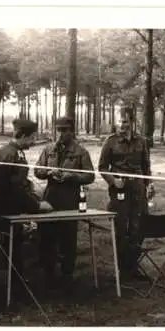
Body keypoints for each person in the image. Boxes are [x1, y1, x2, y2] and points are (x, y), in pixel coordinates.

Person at [0, 118, 53, 299]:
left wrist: (30, 186)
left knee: (12, 246)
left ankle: (14, 283)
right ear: (23, 136)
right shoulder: (15, 156)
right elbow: (16, 190)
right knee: (14, 246)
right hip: (9, 209)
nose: (34, 142)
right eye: (32, 138)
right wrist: (37, 205)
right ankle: (15, 287)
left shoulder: (1, 152)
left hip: (0, 207)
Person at [34, 116, 95, 293]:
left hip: (70, 197)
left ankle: (67, 276)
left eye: (65, 130)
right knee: (47, 236)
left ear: (72, 131)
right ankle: (48, 275)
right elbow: (37, 170)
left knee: (68, 238)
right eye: (59, 130)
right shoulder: (48, 149)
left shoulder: (81, 152)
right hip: (50, 197)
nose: (61, 133)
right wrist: (48, 172)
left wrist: (72, 176)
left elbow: (90, 176)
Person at [98, 106, 155, 280]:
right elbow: (102, 167)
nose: (121, 125)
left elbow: (146, 166)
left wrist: (150, 184)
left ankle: (133, 266)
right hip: (119, 192)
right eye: (119, 121)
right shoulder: (110, 141)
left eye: (125, 121)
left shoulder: (141, 141)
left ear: (132, 122)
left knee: (139, 227)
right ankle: (122, 270)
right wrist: (113, 181)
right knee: (121, 228)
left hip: (138, 190)